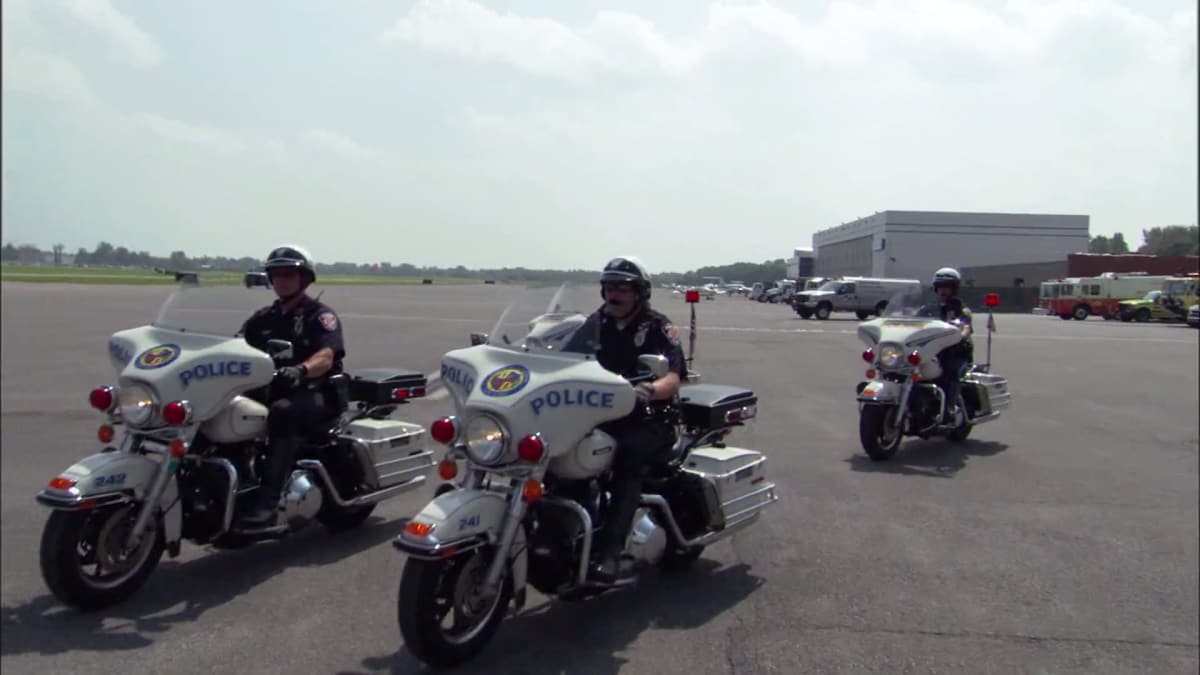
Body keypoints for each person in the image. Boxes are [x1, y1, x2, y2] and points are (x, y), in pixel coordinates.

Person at [570, 256, 688, 584]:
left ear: (640, 293)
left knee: (626, 459)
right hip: (602, 416)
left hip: (649, 419)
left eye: (622, 287)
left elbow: (674, 378)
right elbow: (562, 354)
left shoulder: (657, 327)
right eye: (609, 287)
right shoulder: (597, 322)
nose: (614, 294)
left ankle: (610, 550)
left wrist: (648, 390)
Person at [237, 244, 346, 527]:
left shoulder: (319, 316)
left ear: (304, 278)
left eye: (289, 274)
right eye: (276, 274)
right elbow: (234, 346)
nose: (282, 279)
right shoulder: (264, 318)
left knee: (283, 413)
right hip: (270, 389)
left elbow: (326, 355)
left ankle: (268, 501)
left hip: (316, 392)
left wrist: (301, 370)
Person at [918, 267, 973, 423]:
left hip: (956, 351)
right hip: (932, 350)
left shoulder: (961, 309)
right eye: (940, 286)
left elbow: (966, 327)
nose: (943, 290)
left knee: (950, 371)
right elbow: (913, 322)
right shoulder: (928, 308)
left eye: (947, 286)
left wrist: (961, 335)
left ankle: (949, 407)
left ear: (954, 288)